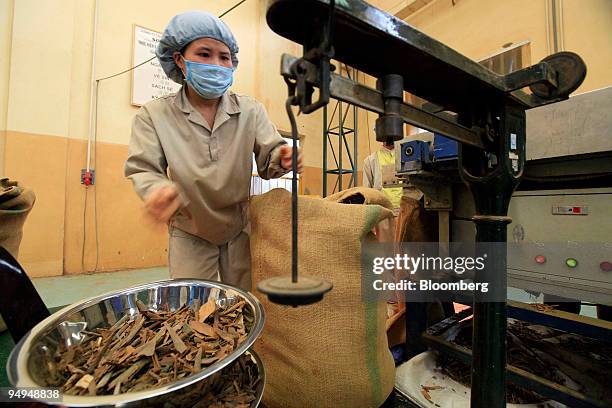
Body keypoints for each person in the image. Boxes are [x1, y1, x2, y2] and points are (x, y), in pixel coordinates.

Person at [124, 11, 301, 290]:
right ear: (179, 60)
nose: (216, 64)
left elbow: (271, 158)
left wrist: (284, 157)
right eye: (204, 54)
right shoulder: (154, 115)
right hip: (190, 231)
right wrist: (156, 190)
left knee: (241, 303)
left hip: (238, 230)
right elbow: (144, 168)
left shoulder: (249, 111)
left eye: (224, 57)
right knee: (193, 310)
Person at [363, 139, 402, 214]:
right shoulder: (370, 161)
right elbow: (367, 191)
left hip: (404, 210)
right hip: (381, 211)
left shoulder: (405, 156)